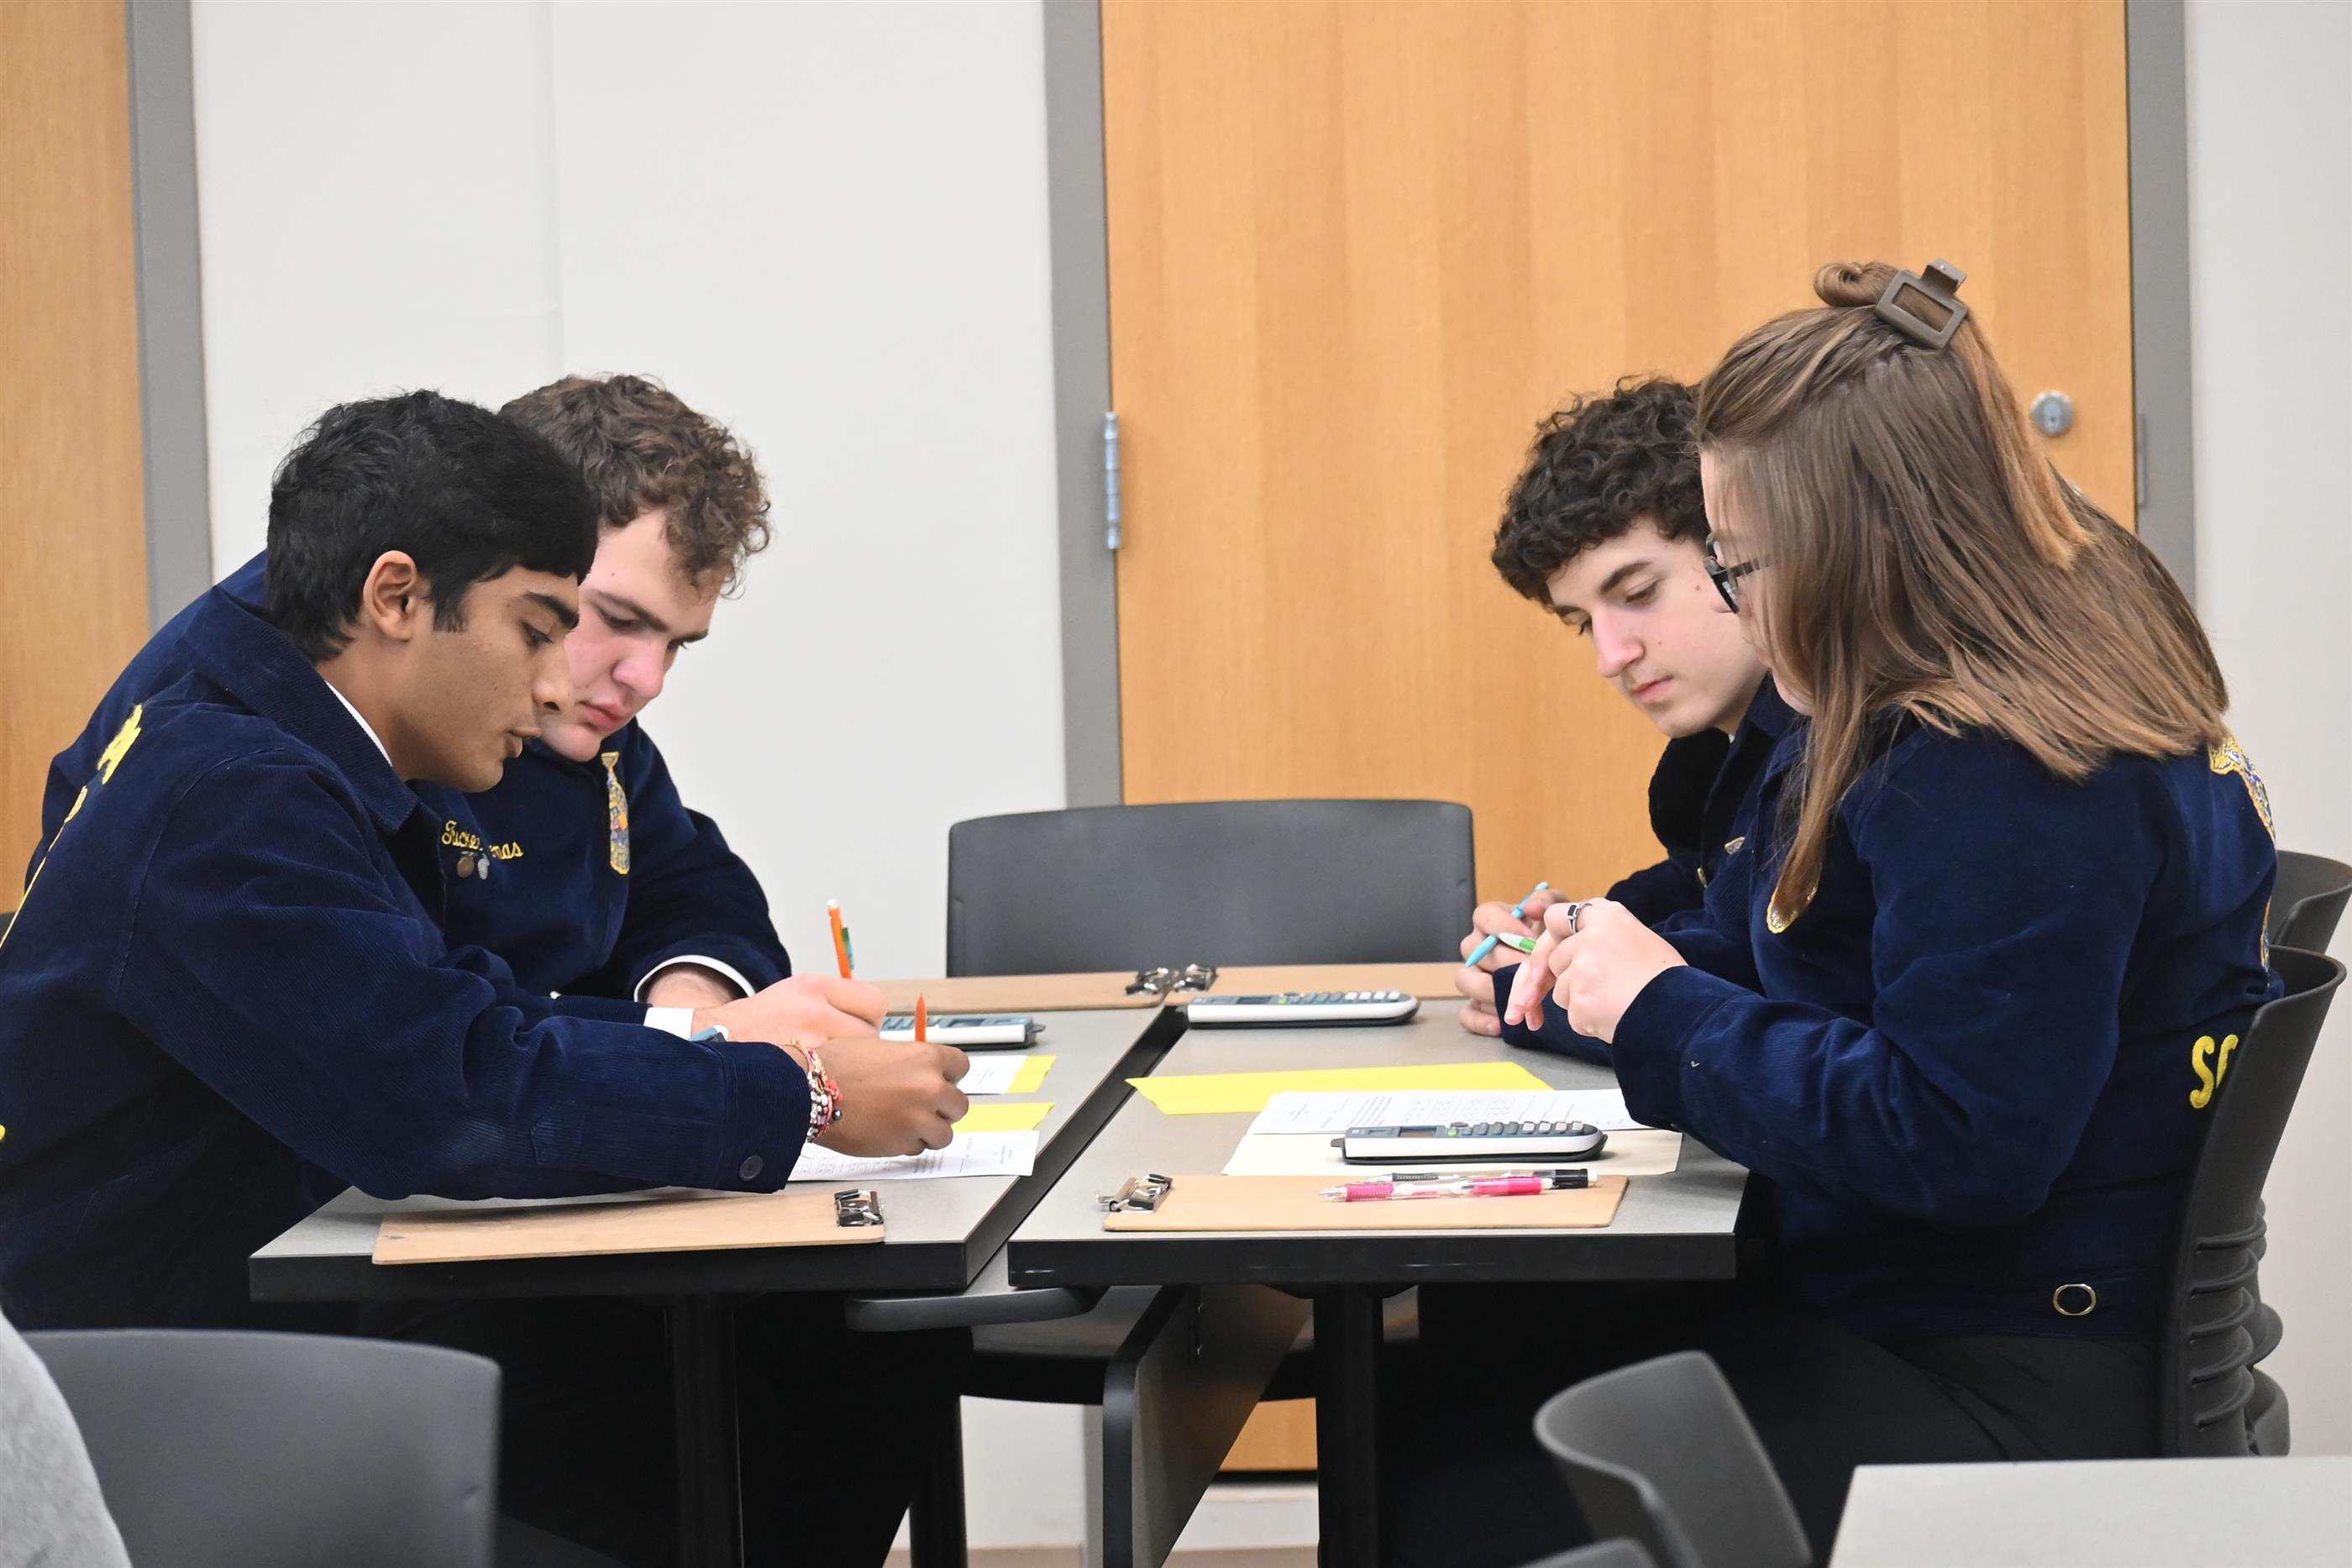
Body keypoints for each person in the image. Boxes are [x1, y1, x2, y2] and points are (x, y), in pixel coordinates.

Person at [1386, 261, 2280, 1565]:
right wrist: (1596, 988)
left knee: (1434, 1482)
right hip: (1961, 1310)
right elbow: (1826, 970)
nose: (1737, 602)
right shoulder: (1990, 695)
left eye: (1736, 564)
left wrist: (1655, 1005)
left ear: (1859, 545)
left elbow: (1955, 1140)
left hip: (2007, 1369)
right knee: (1450, 1374)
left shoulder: (2005, 769)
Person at [0, 392, 970, 1565]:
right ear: (399, 597)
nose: (576, 683)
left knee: (839, 1345)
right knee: (781, 1376)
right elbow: (452, 1090)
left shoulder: (314, 717)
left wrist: (713, 1036)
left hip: (307, 1275)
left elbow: (487, 1003)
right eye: (543, 629)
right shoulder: (232, 789)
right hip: (174, 1373)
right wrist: (796, 1091)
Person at [36, 374, 880, 1046]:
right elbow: (436, 1051)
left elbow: (681, 882)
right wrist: (702, 1049)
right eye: (611, 621)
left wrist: (693, 1002)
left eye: (676, 646)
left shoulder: (565, 713)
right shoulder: (249, 741)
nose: (646, 680)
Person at [1455, 379, 1786, 1051]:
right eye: (1583, 624)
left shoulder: (1851, 742)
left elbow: (1761, 985)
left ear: (1734, 551)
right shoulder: (1715, 760)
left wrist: (1539, 987)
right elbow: (1707, 907)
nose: (1611, 657)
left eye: (1638, 592)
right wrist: (1572, 928)